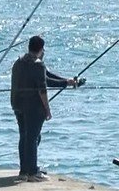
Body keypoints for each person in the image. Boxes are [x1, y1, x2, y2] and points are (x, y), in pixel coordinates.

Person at [10, 36, 79, 183]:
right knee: (32, 138)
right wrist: (47, 109)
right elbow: (43, 89)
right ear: (41, 49)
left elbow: (46, 77)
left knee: (25, 136)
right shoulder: (38, 64)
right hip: (33, 108)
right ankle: (33, 172)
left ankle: (24, 170)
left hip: (18, 105)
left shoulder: (19, 62)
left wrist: (66, 82)